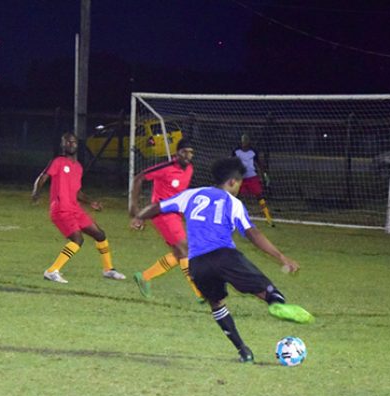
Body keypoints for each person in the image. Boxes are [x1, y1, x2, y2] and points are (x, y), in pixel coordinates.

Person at [133, 158, 313, 363]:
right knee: (265, 288)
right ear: (232, 182)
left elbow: (158, 206)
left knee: (216, 304)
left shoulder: (192, 194)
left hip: (198, 264)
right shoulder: (233, 203)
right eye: (240, 183)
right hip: (226, 257)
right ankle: (275, 302)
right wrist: (281, 257)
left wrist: (138, 216)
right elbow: (252, 234)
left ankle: (243, 350)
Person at [32, 131, 126, 284]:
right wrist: (36, 192)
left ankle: (108, 270)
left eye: (73, 141)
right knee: (77, 240)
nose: (71, 144)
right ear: (62, 145)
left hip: (75, 209)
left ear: (77, 144)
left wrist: (91, 202)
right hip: (61, 209)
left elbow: (77, 192)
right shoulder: (58, 162)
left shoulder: (78, 167)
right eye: (67, 141)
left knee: (100, 235)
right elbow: (43, 176)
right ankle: (51, 271)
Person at [128, 138, 202, 300]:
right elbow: (138, 178)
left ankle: (144, 277)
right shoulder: (166, 167)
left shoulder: (189, 169)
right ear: (177, 153)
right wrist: (135, 209)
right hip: (161, 213)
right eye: (184, 152)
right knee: (185, 250)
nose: (187, 156)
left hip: (175, 214)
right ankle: (200, 293)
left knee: (178, 253)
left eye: (191, 153)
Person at [232, 133, 274, 226]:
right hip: (241, 178)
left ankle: (268, 218)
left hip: (252, 177)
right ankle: (233, 217)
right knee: (237, 197)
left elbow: (259, 163)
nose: (244, 143)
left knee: (260, 196)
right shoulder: (236, 151)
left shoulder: (253, 151)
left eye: (246, 141)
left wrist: (265, 175)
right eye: (243, 141)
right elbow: (231, 162)